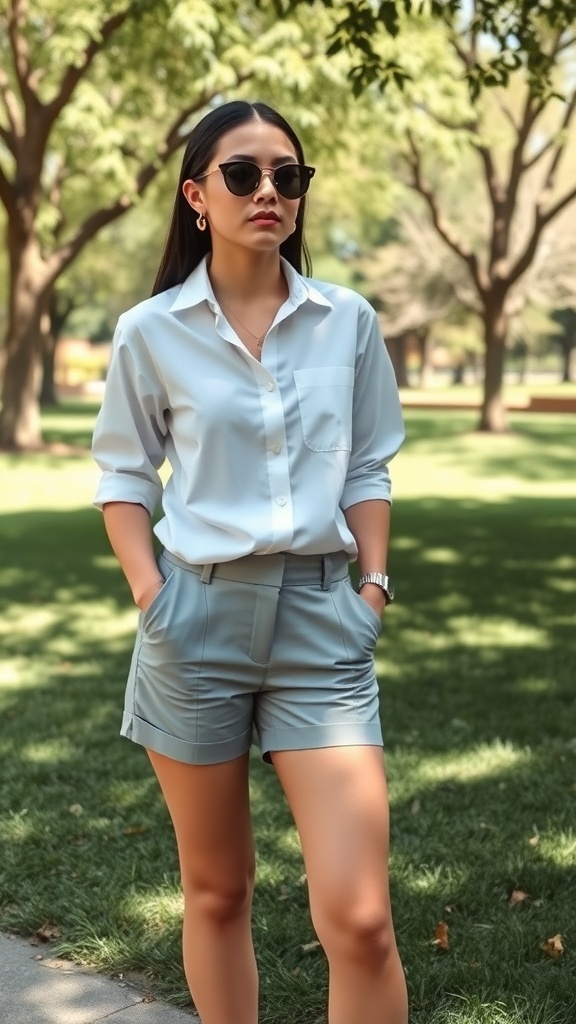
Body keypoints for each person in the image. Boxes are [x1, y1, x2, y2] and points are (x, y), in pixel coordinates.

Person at [92, 99, 408, 1024]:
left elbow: (367, 464)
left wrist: (373, 588)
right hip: (194, 625)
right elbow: (123, 473)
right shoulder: (151, 330)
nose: (268, 190)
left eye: (287, 175)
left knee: (361, 920)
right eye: (242, 174)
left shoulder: (347, 321)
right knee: (218, 891)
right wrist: (151, 594)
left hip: (323, 627)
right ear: (197, 196)